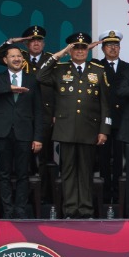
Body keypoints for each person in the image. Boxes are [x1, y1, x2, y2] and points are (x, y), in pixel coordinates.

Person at [37, 33, 111, 218]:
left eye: (83, 48)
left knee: (86, 172)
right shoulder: (60, 69)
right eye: (75, 48)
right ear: (70, 50)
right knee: (68, 171)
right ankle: (70, 209)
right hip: (66, 128)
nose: (79, 51)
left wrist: (104, 130)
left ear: (88, 50)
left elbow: (105, 104)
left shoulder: (98, 70)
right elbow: (40, 75)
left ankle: (86, 209)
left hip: (89, 129)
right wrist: (60, 54)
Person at [0, 45, 45, 218]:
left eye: (19, 56)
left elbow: (39, 110)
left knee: (24, 173)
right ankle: (8, 210)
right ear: (5, 60)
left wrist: (38, 137)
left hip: (25, 132)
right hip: (3, 132)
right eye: (13, 56)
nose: (17, 59)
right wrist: (10, 88)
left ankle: (20, 210)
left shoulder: (32, 79)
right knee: (4, 173)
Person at [94, 30, 126, 208]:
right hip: (102, 122)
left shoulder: (128, 68)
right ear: (103, 48)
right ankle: (105, 198)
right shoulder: (96, 66)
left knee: (121, 163)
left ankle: (120, 197)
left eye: (116, 45)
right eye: (108, 46)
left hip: (122, 122)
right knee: (103, 161)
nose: (113, 48)